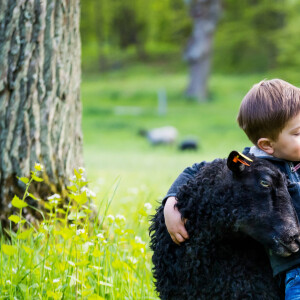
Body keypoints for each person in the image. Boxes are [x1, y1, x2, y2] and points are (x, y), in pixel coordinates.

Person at [163, 79, 300, 300]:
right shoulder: (250, 165)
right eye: (297, 133)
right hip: (294, 269)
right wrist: (171, 202)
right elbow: (197, 169)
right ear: (266, 145)